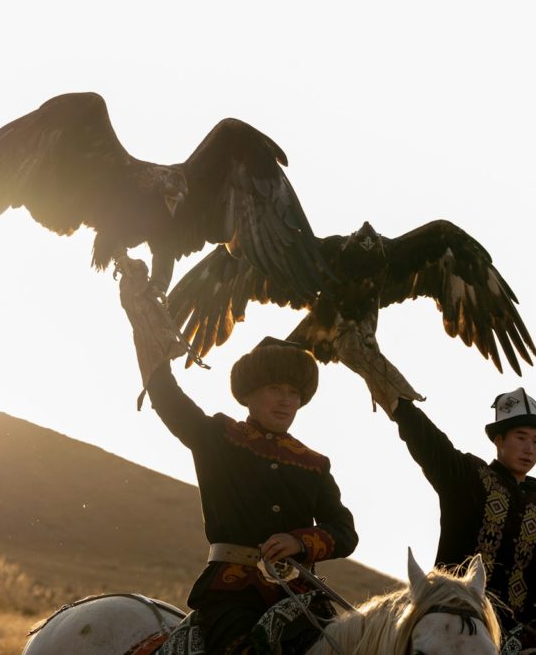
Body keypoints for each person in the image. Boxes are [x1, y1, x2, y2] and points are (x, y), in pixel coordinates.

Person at [119, 258, 358, 654]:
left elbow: (344, 531)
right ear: (248, 394)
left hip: (302, 598)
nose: (285, 400)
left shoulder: (315, 464)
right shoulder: (218, 437)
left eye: (293, 393)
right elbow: (168, 398)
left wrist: (299, 541)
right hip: (231, 593)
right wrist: (144, 321)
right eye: (275, 389)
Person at [336, 328, 536, 648]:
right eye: (521, 438)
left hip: (522, 640)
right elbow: (425, 437)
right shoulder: (466, 478)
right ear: (498, 440)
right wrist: (379, 375)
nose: (530, 448)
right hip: (451, 624)